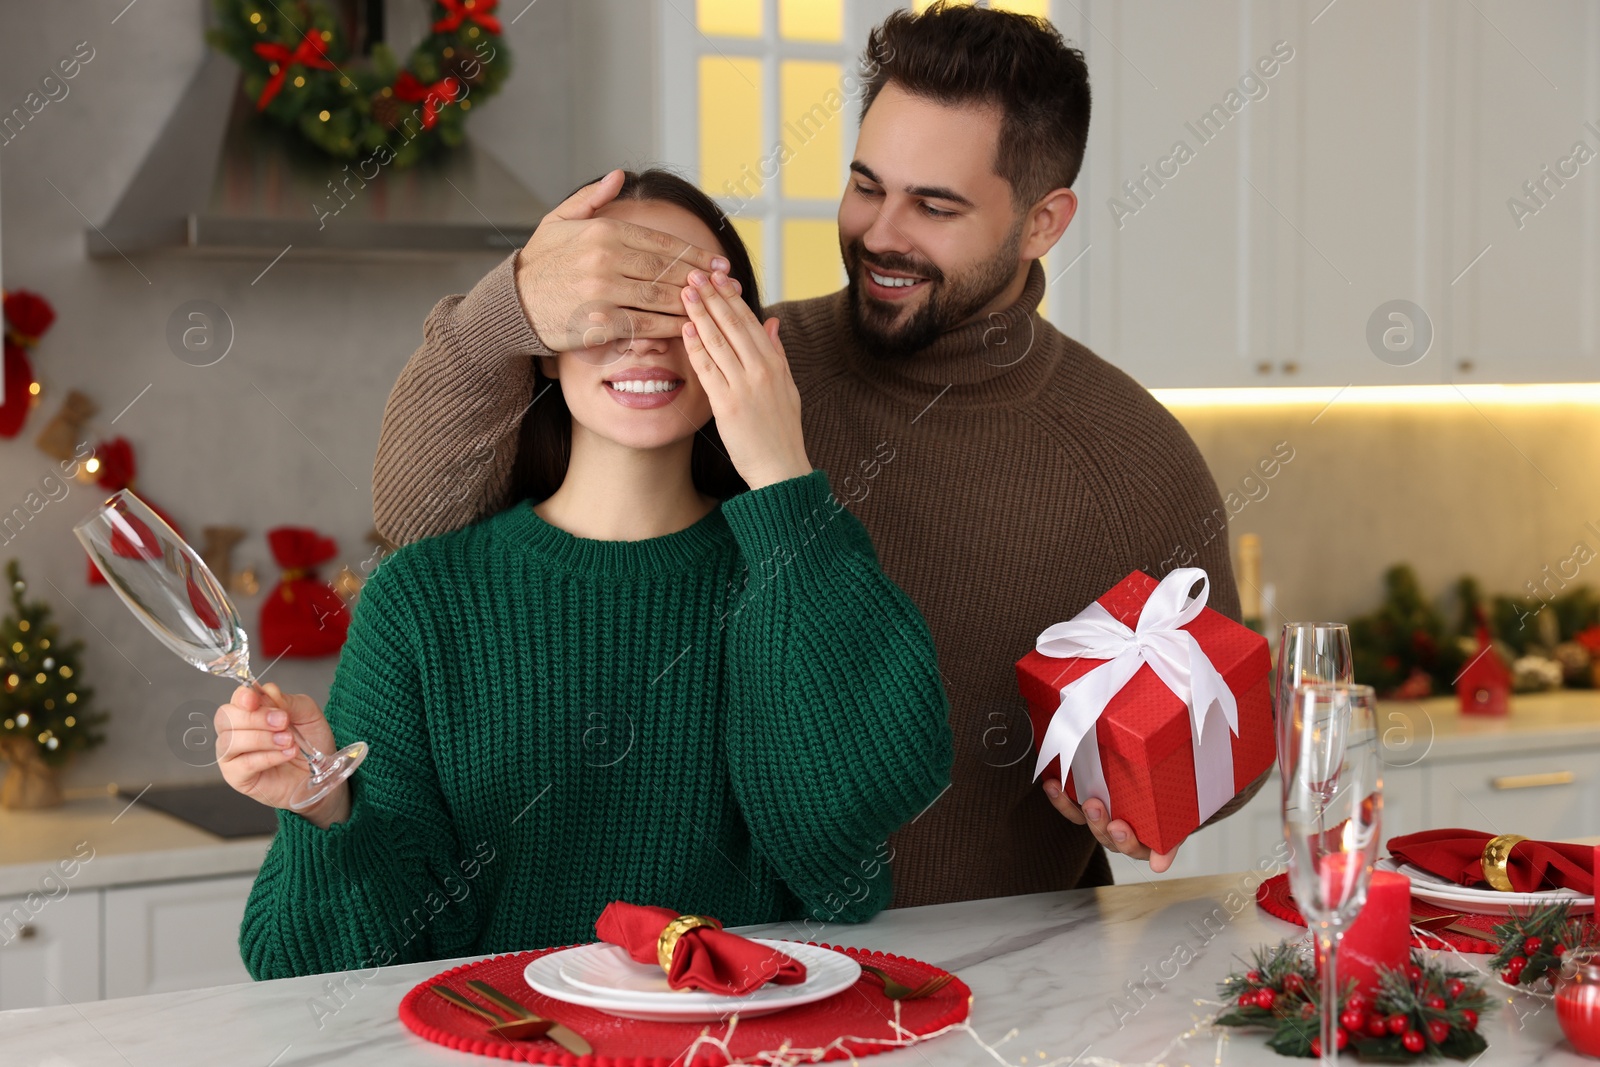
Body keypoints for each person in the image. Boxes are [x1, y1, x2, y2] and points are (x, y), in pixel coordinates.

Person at [371, 2, 1264, 908]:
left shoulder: (1131, 455)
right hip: (765, 979)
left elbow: (1226, 740)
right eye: (866, 184)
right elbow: (423, 521)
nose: (881, 232)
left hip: (1010, 982)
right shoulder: (734, 365)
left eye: (935, 205)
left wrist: (1154, 793)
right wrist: (512, 303)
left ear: (1043, 222)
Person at [217, 169, 954, 980]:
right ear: (540, 343)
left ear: (749, 339)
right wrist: (327, 808)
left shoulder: (799, 567)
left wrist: (780, 465)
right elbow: (302, 966)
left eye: (686, 300)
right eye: (609, 299)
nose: (644, 335)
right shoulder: (421, 600)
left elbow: (843, 872)